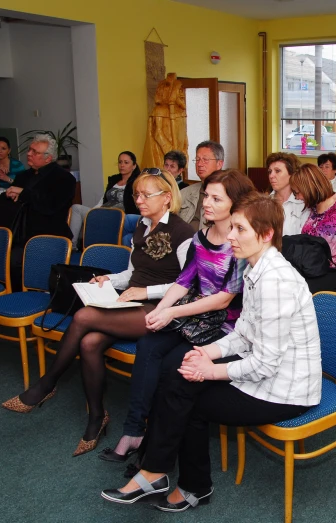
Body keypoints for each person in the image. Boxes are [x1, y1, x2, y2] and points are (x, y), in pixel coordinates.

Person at [101, 192, 322, 513]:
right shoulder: (255, 267)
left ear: (266, 235)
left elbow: (264, 363)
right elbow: (243, 335)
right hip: (268, 375)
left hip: (286, 390)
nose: (229, 236)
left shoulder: (276, 281)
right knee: (179, 375)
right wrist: (205, 353)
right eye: (231, 227)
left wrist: (210, 370)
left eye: (240, 229)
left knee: (189, 397)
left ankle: (176, 480)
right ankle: (167, 476)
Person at [1, 169, 194, 457]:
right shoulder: (142, 226)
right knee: (89, 342)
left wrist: (145, 292)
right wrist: (109, 280)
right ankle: (96, 417)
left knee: (83, 317)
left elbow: (189, 285)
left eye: (145, 195)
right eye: (136, 195)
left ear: (167, 198)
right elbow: (132, 273)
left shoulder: (183, 232)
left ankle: (45, 385)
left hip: (164, 309)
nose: (139, 200)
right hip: (132, 301)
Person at [99, 169, 255, 462]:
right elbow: (184, 281)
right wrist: (159, 312)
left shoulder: (240, 245)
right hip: (198, 319)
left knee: (173, 365)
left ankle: (157, 453)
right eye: (206, 195)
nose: (205, 203)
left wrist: (171, 311)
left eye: (215, 198)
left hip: (228, 328)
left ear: (235, 204)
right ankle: (134, 431)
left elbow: (223, 300)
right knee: (148, 343)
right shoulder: (201, 236)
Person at [5, 134, 76, 290]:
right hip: (21, 233)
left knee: (16, 260)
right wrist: (9, 194)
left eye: (35, 152)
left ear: (48, 158)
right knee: (5, 257)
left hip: (49, 234)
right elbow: (12, 204)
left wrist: (23, 193)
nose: (29, 154)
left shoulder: (64, 178)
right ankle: (16, 299)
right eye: (30, 150)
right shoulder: (23, 176)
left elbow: (50, 205)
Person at [290, 163, 336, 297]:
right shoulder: (310, 211)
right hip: (316, 270)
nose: (297, 197)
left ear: (309, 188)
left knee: (300, 292)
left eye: (297, 192)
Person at [69, 151, 142, 249]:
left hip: (119, 216)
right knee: (76, 208)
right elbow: (103, 200)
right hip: (103, 211)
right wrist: (93, 212)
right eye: (120, 162)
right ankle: (72, 246)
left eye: (126, 162)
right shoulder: (114, 180)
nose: (122, 165)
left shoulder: (137, 182)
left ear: (134, 166)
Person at [179, 141, 225, 230]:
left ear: (219, 164)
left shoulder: (229, 193)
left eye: (205, 160)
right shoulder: (184, 193)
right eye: (197, 159)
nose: (199, 164)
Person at [267, 151, 309, 235]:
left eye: (277, 171)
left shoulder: (302, 203)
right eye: (270, 171)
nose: (271, 176)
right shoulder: (265, 203)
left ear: (291, 174)